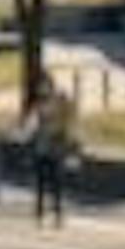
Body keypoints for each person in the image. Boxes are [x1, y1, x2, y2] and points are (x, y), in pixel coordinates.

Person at [19, 75, 78, 228]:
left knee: (56, 183)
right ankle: (39, 213)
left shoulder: (60, 101)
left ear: (51, 86)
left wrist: (70, 140)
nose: (42, 89)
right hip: (42, 148)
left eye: (44, 86)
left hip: (55, 148)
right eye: (41, 86)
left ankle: (57, 214)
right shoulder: (38, 104)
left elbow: (69, 119)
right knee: (41, 183)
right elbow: (31, 124)